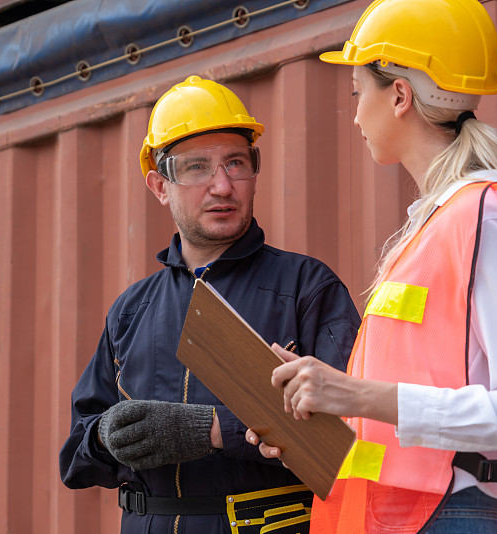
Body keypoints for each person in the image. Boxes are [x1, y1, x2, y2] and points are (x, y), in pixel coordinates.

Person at [247, 0, 497, 532]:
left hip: (453, 518)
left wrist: (356, 394)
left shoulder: (482, 217)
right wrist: (318, 407)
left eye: (358, 93)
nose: (355, 115)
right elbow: (404, 413)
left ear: (399, 95)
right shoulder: (436, 224)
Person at [59, 75, 361, 533]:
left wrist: (214, 430)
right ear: (160, 186)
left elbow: (349, 438)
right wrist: (105, 437)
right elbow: (76, 457)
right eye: (197, 167)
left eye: (235, 163)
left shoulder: (308, 289)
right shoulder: (130, 311)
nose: (222, 186)